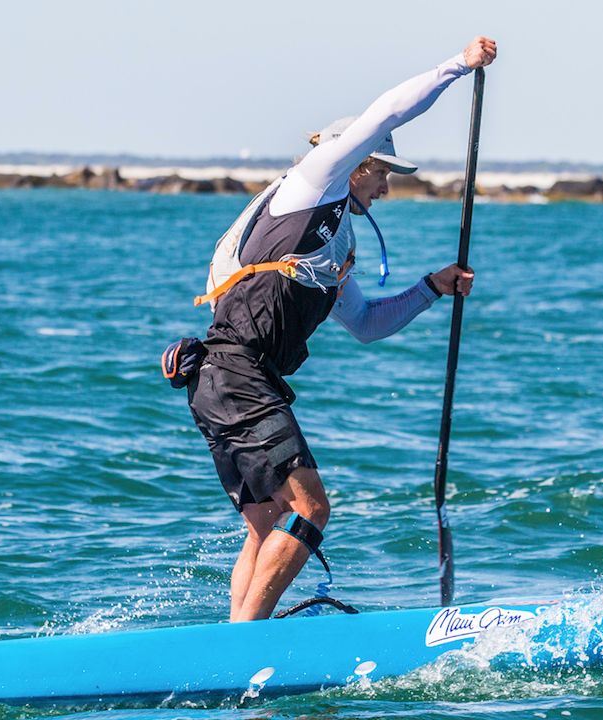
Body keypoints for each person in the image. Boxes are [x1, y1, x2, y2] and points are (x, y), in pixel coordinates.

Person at [188, 36, 497, 622]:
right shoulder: (312, 184)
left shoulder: (335, 240)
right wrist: (459, 65)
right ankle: (247, 642)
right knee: (311, 508)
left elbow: (365, 323)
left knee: (266, 520)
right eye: (383, 173)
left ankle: (232, 638)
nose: (387, 186)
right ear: (356, 165)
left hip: (233, 379)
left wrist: (431, 287)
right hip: (235, 372)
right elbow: (387, 111)